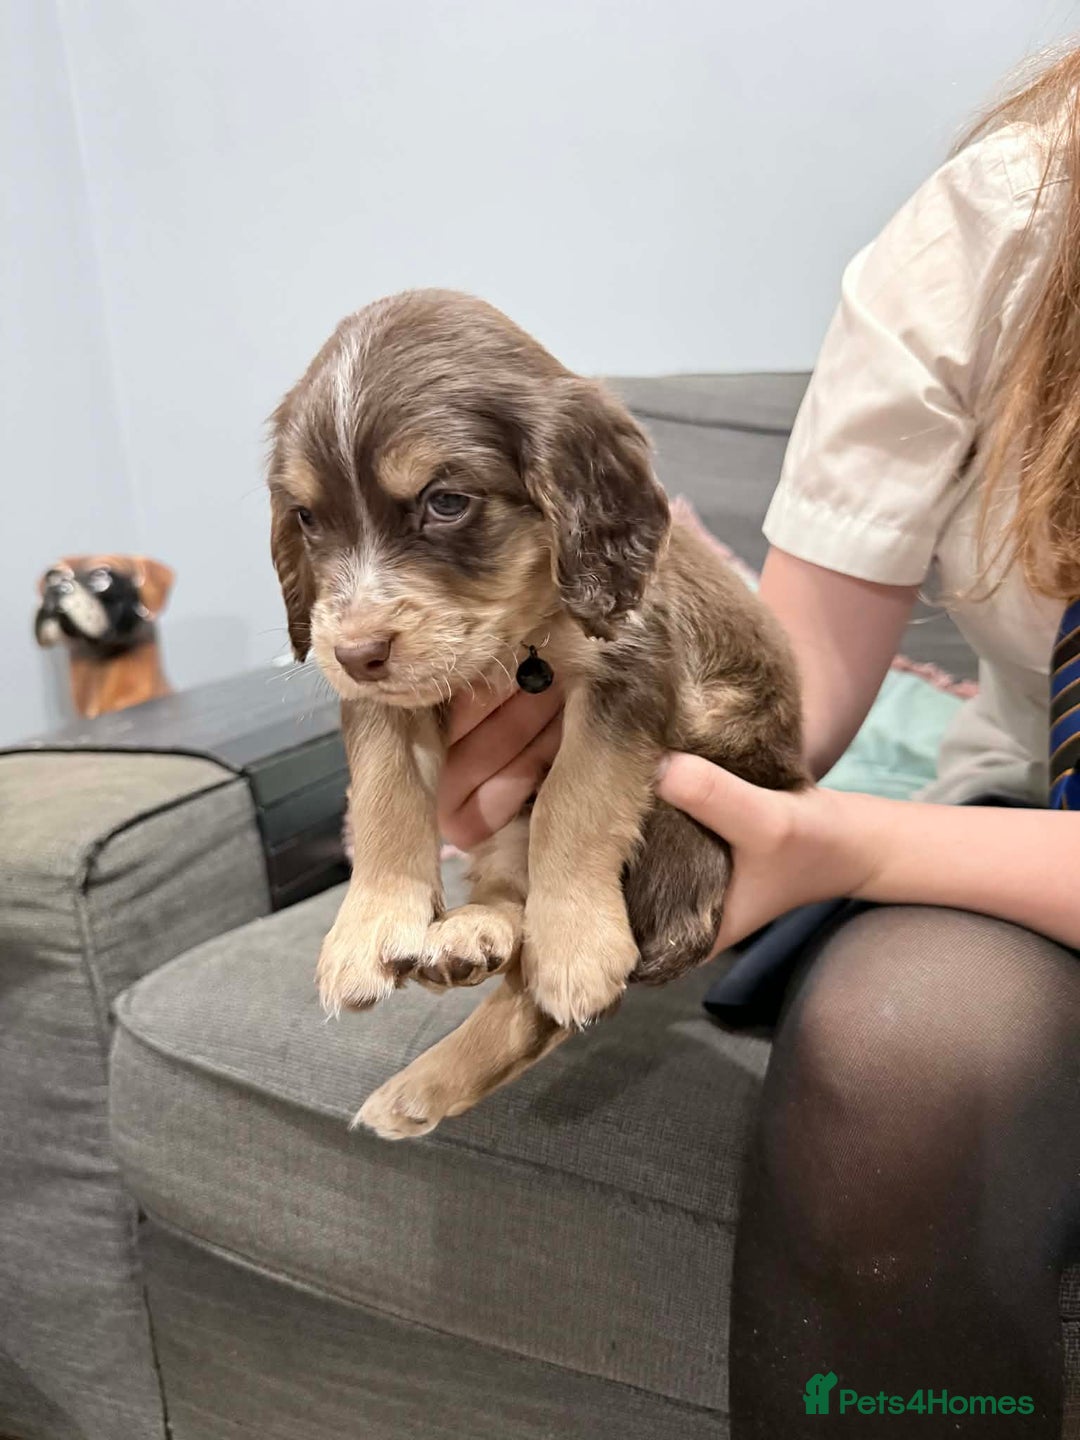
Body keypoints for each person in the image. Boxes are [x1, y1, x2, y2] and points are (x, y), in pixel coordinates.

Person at [437, 46, 1080, 1438]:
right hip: (1033, 826)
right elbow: (794, 703)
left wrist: (844, 843)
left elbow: (824, 818)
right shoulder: (1011, 220)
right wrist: (628, 696)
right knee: (900, 1045)